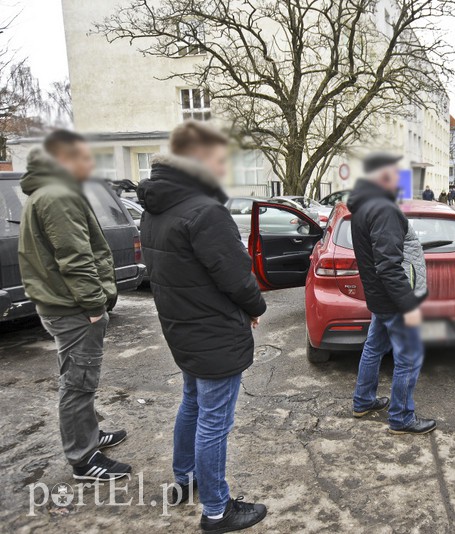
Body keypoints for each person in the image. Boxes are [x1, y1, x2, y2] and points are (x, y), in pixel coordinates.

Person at [138, 121, 268, 533]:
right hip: (213, 332)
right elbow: (236, 276)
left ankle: (186, 478)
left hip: (182, 327)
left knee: (192, 403)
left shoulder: (157, 208)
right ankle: (216, 510)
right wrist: (255, 307)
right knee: (214, 421)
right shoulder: (205, 212)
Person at [18, 130, 130, 482]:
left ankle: (89, 435)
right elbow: (75, 257)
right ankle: (83, 458)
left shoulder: (49, 192)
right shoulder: (58, 196)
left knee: (77, 376)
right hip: (72, 307)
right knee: (79, 381)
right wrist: (95, 305)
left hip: (63, 303)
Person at [347, 152, 436, 435]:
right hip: (393, 300)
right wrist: (409, 305)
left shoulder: (364, 206)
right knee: (409, 357)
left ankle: (363, 401)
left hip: (379, 297)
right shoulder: (383, 210)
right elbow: (388, 265)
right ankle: (401, 418)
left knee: (373, 348)